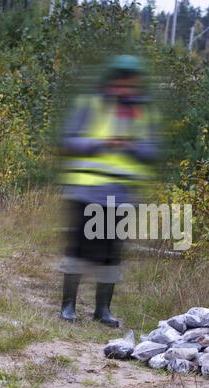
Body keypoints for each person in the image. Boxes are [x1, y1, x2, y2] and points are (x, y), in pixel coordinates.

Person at [58, 55, 159, 327]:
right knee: (78, 249)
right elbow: (68, 140)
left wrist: (130, 146)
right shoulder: (90, 104)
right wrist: (99, 143)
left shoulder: (143, 111)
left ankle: (102, 309)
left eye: (131, 80)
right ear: (112, 79)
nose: (126, 85)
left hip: (122, 195)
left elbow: (152, 150)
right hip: (86, 190)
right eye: (122, 78)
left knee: (111, 255)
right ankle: (68, 305)